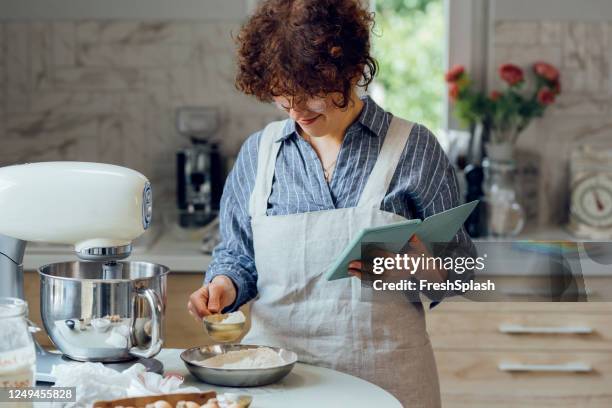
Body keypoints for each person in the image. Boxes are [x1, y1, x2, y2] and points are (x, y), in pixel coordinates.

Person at [188, 1, 475, 406]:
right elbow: (238, 255)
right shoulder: (259, 154)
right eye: (283, 100)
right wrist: (222, 286)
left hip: (388, 384)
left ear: (352, 70)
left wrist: (414, 265)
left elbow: (461, 270)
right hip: (278, 385)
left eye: (309, 96)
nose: (296, 112)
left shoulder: (414, 149)